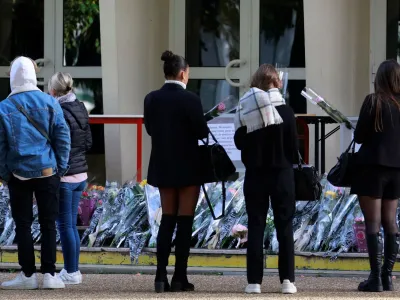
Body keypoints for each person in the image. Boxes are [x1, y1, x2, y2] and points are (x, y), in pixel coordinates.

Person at [0, 57, 71, 290]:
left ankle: (27, 274)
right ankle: (50, 274)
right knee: (49, 223)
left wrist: (5, 173)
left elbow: (1, 147)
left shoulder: (4, 107)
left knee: (23, 224)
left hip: (18, 173)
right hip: (47, 171)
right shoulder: (50, 102)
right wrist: (60, 167)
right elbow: (63, 137)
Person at [144, 50, 209, 293]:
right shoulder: (191, 99)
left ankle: (160, 275)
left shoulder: (151, 98)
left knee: (167, 219)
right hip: (188, 165)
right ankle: (180, 276)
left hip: (162, 164)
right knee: (185, 222)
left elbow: (150, 129)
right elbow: (202, 132)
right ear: (183, 73)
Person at [234, 64, 298, 295]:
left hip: (256, 176)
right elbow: (294, 148)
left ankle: (254, 282)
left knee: (256, 226)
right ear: (277, 83)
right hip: (282, 175)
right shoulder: (287, 113)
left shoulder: (247, 112)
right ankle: (287, 281)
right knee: (285, 228)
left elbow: (239, 142)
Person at [351, 59, 400, 293]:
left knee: (373, 222)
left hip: (371, 168)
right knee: (391, 221)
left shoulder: (373, 102)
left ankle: (375, 278)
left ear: (379, 79)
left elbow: (359, 136)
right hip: (397, 170)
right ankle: (388, 276)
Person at [48, 72, 92, 285]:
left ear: (54, 91)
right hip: (81, 174)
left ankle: (72, 271)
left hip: (65, 177)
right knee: (71, 225)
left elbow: (56, 143)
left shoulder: (58, 111)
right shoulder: (82, 107)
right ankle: (73, 270)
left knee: (65, 225)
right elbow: (89, 142)